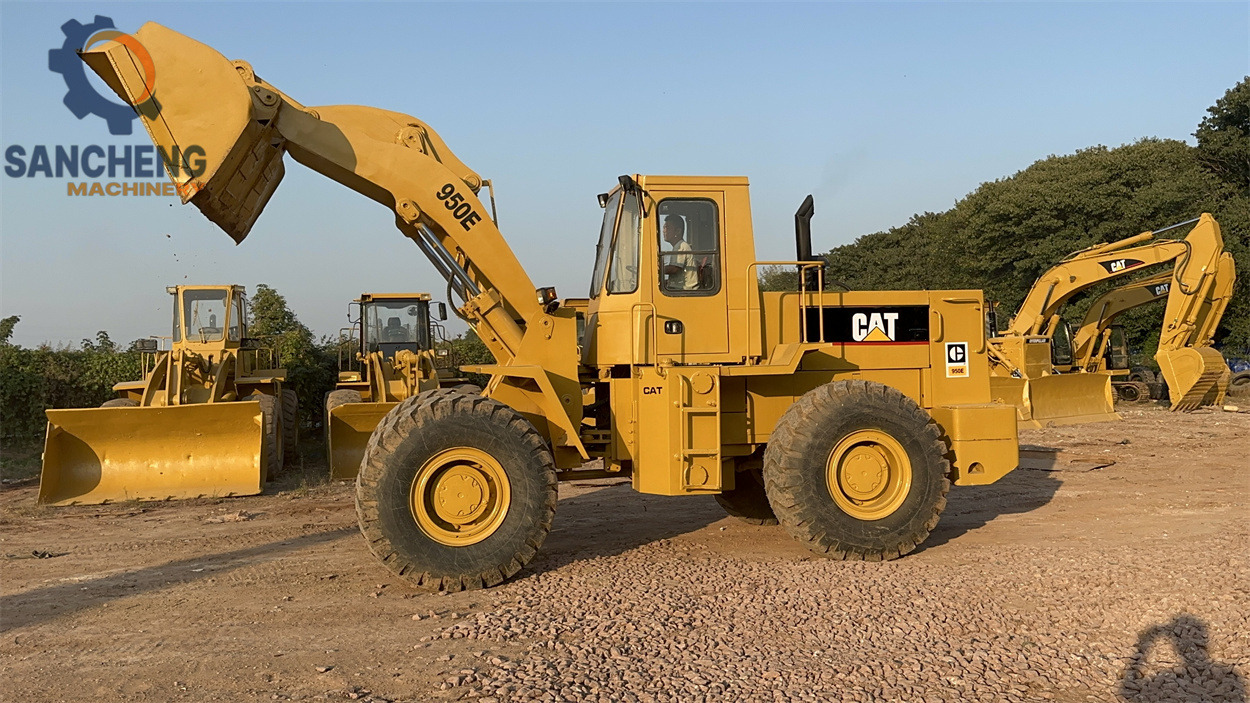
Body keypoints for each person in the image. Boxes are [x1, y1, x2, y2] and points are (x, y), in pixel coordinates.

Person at [661, 216, 698, 291]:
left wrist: (655, 270)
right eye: (664, 227)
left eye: (667, 228)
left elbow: (674, 269)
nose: (664, 231)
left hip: (685, 290)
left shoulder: (681, 246)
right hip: (679, 287)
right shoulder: (677, 246)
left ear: (677, 231)